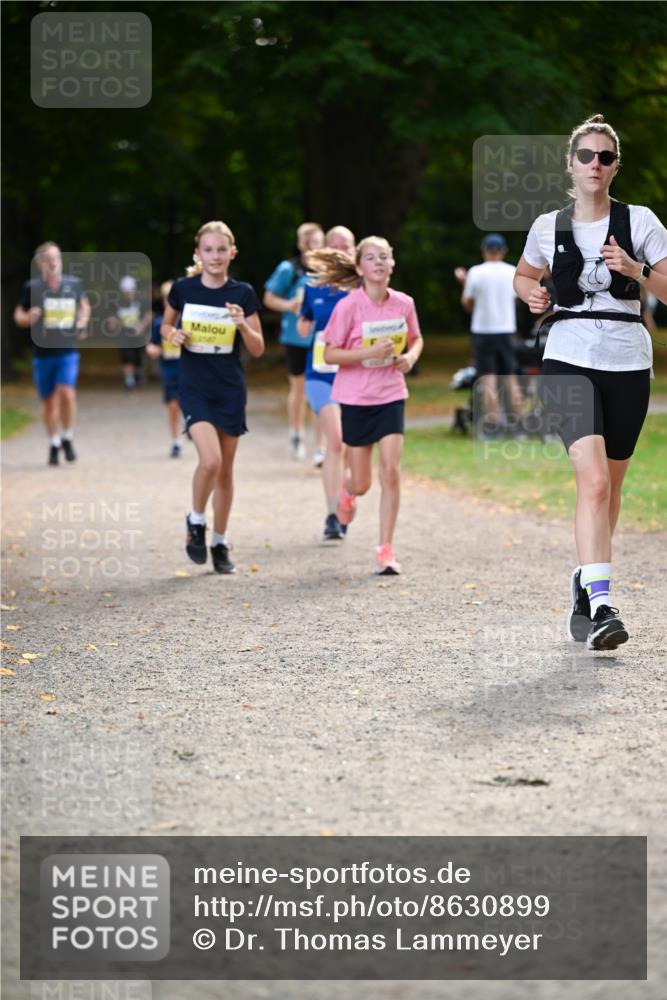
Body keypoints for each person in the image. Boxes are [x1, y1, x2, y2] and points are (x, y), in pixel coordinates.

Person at [514, 114, 667, 651]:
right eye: (587, 156)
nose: (595, 164)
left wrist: (636, 268)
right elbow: (524, 274)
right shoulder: (547, 226)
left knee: (614, 486)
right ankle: (603, 603)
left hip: (628, 359)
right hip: (567, 355)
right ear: (571, 164)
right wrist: (531, 296)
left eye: (605, 157)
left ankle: (586, 579)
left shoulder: (641, 221)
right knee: (594, 483)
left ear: (616, 166)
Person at [312, 236, 424, 575]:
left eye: (384, 256)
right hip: (356, 398)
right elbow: (329, 353)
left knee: (390, 470)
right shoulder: (348, 307)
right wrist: (368, 354)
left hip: (391, 394)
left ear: (392, 264)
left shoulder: (404, 303)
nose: (378, 262)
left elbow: (416, 338)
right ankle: (347, 494)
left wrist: (409, 357)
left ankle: (385, 548)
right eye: (371, 258)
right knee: (362, 483)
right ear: (360, 267)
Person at [161, 220, 264, 573]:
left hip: (230, 388)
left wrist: (243, 325)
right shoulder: (183, 289)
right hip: (194, 386)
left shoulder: (243, 294)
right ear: (198, 254)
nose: (215, 256)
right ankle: (195, 521)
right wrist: (172, 335)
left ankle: (220, 542)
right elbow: (165, 325)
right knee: (210, 461)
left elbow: (259, 347)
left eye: (222, 250)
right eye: (209, 250)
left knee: (225, 471)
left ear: (231, 253)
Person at [298, 226, 356, 540]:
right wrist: (302, 319)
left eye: (345, 245)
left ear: (354, 249)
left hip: (356, 376)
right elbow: (304, 328)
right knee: (335, 441)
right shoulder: (312, 286)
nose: (339, 250)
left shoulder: (364, 286)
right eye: (333, 246)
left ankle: (347, 497)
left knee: (350, 446)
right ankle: (332, 514)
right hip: (320, 373)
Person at [13, 242, 90, 465]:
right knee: (49, 402)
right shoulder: (32, 287)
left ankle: (68, 436)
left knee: (67, 393)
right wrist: (27, 318)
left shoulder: (72, 284)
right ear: (40, 263)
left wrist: (82, 323)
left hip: (67, 350)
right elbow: (18, 315)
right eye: (48, 258)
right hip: (42, 353)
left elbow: (84, 306)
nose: (53, 261)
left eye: (56, 257)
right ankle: (54, 442)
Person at [263, 222, 325, 460]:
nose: (312, 247)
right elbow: (269, 297)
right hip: (294, 337)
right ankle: (296, 434)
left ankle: (321, 446)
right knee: (299, 389)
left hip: (322, 338)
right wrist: (290, 305)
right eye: (308, 242)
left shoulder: (329, 271)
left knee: (320, 389)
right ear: (300, 244)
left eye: (317, 242)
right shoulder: (289, 269)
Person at [456, 233, 524, 437]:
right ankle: (520, 425)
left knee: (488, 379)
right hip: (506, 330)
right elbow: (515, 300)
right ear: (503, 251)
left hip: (483, 331)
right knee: (510, 379)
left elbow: (467, 303)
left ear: (484, 250)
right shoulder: (513, 272)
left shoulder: (475, 272)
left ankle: (493, 427)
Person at [146, 280, 182, 458]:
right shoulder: (159, 323)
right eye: (168, 299)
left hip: (190, 371)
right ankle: (176, 441)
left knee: (189, 405)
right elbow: (152, 346)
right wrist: (154, 350)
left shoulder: (188, 320)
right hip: (169, 370)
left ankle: (192, 427)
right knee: (173, 407)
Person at [110, 275, 152, 390]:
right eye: (126, 291)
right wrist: (112, 323)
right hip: (123, 334)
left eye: (130, 291)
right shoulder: (117, 302)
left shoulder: (141, 301)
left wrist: (142, 326)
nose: (128, 294)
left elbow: (148, 314)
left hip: (138, 334)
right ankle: (129, 381)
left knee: (138, 357)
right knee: (126, 357)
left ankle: (139, 376)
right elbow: (112, 317)